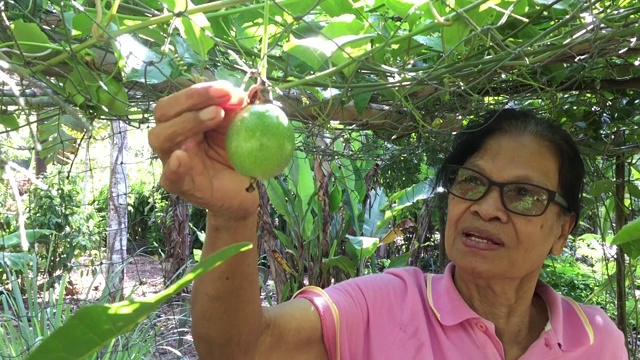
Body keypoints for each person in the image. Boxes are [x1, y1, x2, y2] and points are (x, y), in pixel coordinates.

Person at [148, 80, 628, 360]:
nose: (485, 206)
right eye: (472, 182)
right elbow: (242, 349)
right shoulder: (382, 306)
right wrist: (233, 217)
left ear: (563, 231)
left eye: (523, 195)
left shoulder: (598, 341)